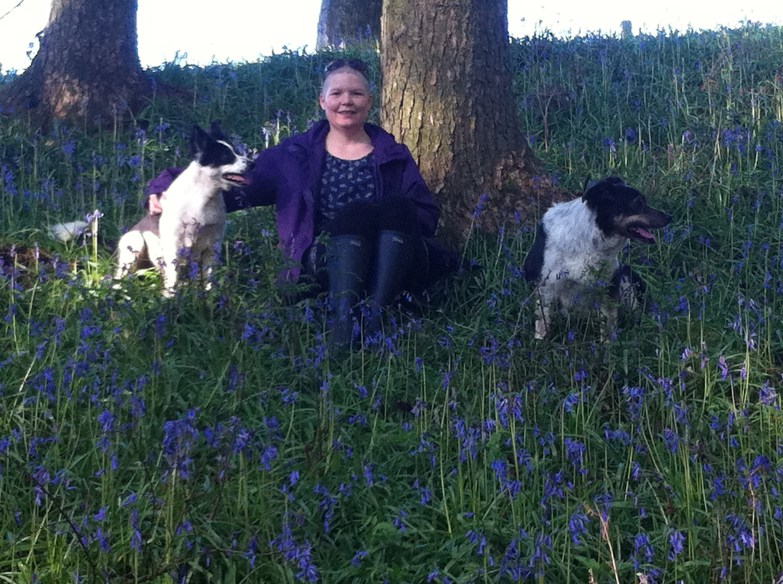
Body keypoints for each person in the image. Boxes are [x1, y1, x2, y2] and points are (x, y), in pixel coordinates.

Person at [144, 58, 457, 349]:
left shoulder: (392, 153)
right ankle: (342, 327)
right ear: (322, 101)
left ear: (369, 101)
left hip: (387, 261)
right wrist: (165, 189)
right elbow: (233, 182)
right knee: (355, 213)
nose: (346, 101)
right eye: (336, 93)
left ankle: (376, 316)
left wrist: (387, 223)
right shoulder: (294, 155)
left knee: (395, 206)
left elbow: (424, 214)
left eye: (356, 93)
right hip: (321, 263)